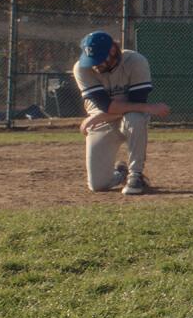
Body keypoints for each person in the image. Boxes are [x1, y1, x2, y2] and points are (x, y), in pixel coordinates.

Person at [72, 31, 169, 195]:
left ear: (112, 50)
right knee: (97, 185)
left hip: (120, 118)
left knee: (135, 118)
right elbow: (107, 106)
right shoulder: (82, 68)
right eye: (91, 60)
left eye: (99, 59)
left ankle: (135, 175)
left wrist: (98, 116)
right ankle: (121, 173)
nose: (95, 65)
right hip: (101, 121)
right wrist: (149, 108)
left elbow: (137, 103)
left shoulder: (135, 61)